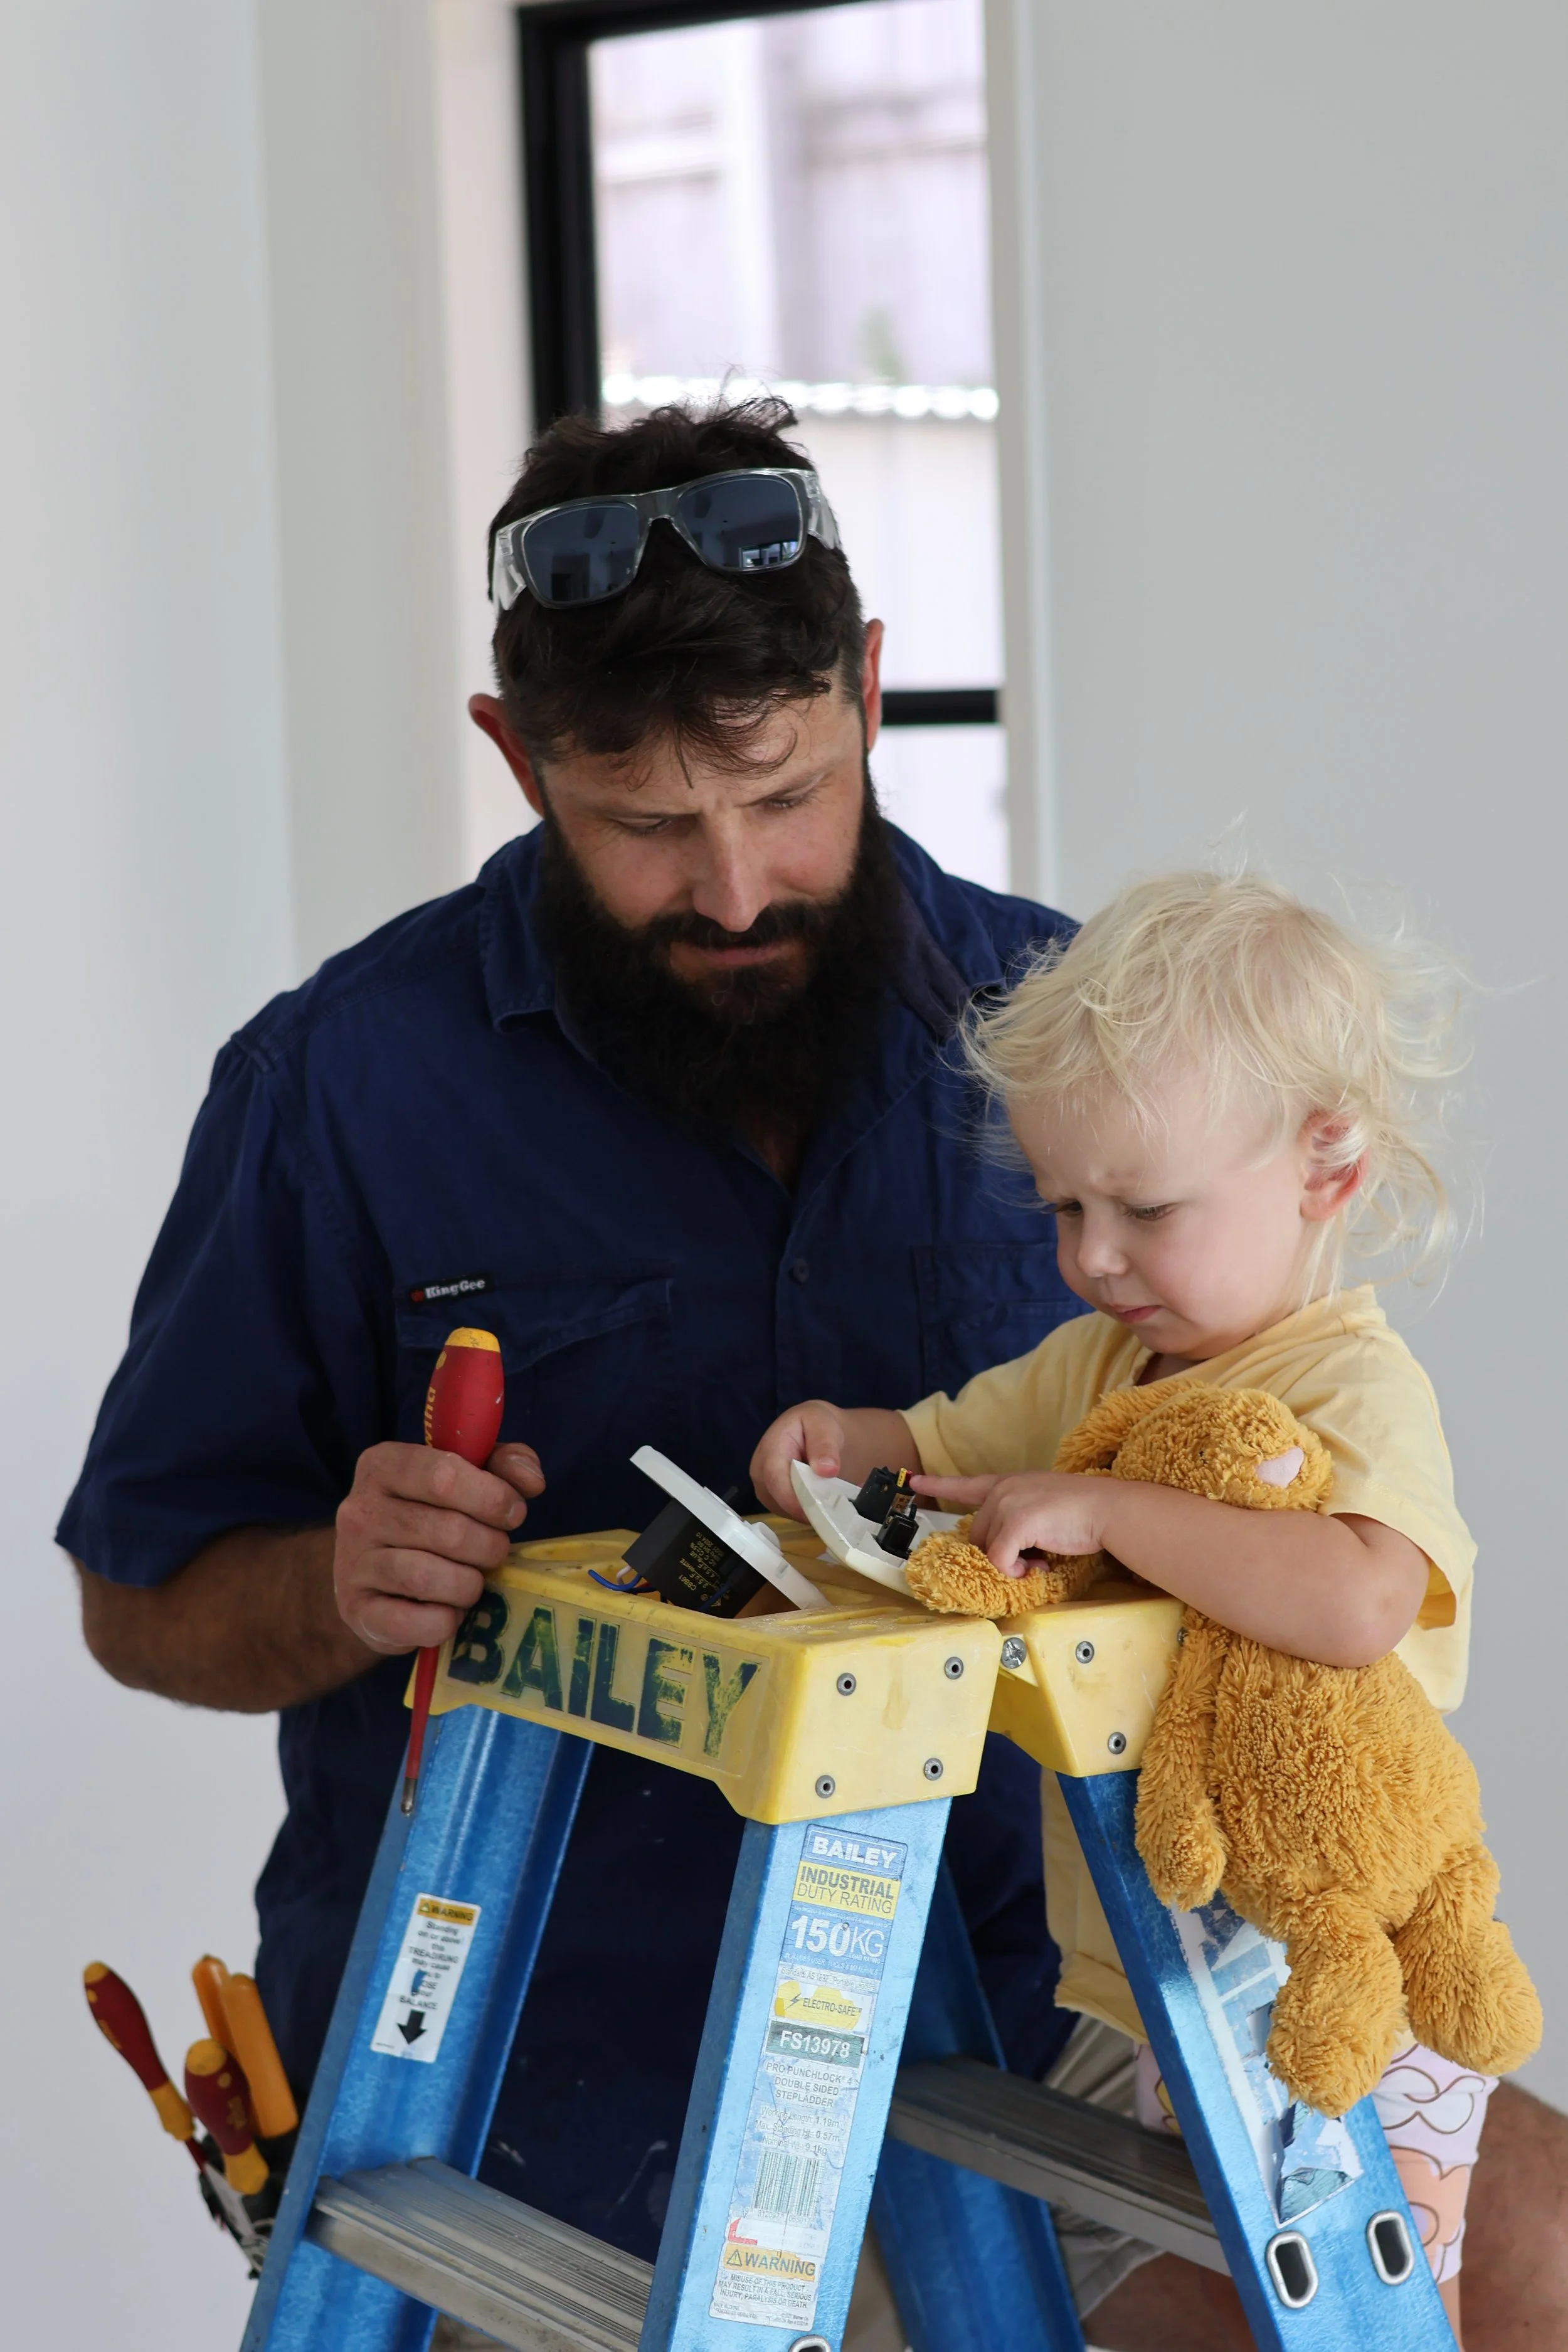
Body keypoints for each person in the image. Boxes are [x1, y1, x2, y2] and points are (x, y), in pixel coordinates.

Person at [60, 401, 1086, 2294]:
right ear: (515, 762)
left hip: (996, 2018)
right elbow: (143, 1597)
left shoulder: (1076, 1030)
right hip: (515, 2097)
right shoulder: (337, 1089)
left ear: (866, 689)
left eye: (784, 794)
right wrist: (336, 1579)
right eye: (642, 826)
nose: (731, 886)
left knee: (1519, 2249)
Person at [751, 869, 1549, 2349]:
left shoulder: (1346, 1385)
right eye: (1062, 1206)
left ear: (1327, 1168)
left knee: (1374, 2319)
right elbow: (935, 1443)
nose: (1092, 1255)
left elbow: (1357, 1597)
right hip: (1156, 1982)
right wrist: (838, 1442)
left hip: (1359, 1966)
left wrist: (1112, 1511)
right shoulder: (1095, 1373)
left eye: (1143, 1208)